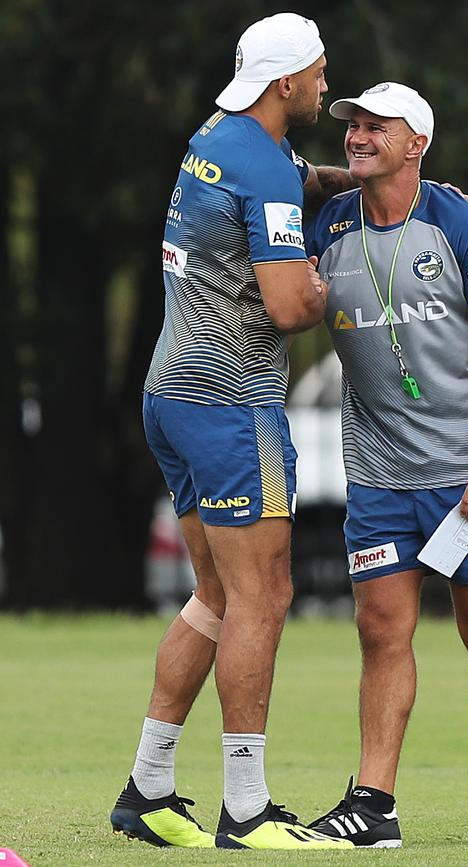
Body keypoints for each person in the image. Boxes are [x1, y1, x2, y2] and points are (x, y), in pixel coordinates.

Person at [109, 13, 355, 851]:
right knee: (265, 595)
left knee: (216, 596)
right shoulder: (265, 167)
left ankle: (146, 789)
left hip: (170, 391)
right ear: (286, 85)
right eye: (321, 75)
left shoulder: (221, 136)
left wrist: (342, 184)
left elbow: (286, 176)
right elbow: (290, 307)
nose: (328, 86)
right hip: (229, 405)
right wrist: (343, 286)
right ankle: (244, 808)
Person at [304, 82, 468, 847]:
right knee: (380, 629)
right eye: (354, 125)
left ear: (418, 144)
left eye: (378, 126)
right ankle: (374, 804)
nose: (359, 134)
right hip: (377, 473)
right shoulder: (330, 223)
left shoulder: (463, 221)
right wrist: (342, 176)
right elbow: (281, 184)